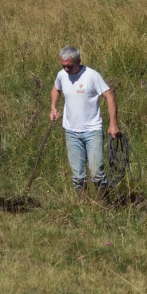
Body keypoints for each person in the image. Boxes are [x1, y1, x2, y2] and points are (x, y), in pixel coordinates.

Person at [50, 46, 120, 197]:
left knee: (96, 174)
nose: (66, 69)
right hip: (71, 131)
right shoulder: (61, 75)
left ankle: (104, 202)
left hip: (92, 131)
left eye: (69, 66)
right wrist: (53, 107)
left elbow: (109, 95)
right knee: (78, 177)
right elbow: (56, 89)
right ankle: (82, 204)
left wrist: (113, 124)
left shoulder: (92, 76)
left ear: (79, 61)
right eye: (63, 66)